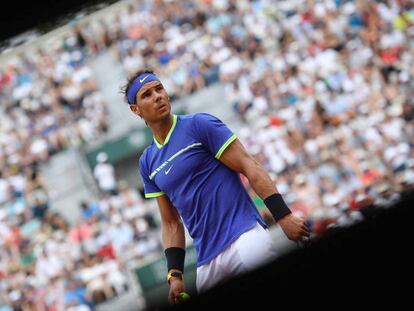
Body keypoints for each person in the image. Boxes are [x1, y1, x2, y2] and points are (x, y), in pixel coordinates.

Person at [122, 70, 309, 304]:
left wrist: (283, 216)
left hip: (245, 238)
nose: (158, 96)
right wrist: (175, 274)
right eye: (147, 94)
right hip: (206, 262)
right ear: (135, 109)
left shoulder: (199, 124)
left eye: (159, 88)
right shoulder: (147, 162)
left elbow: (250, 166)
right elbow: (170, 222)